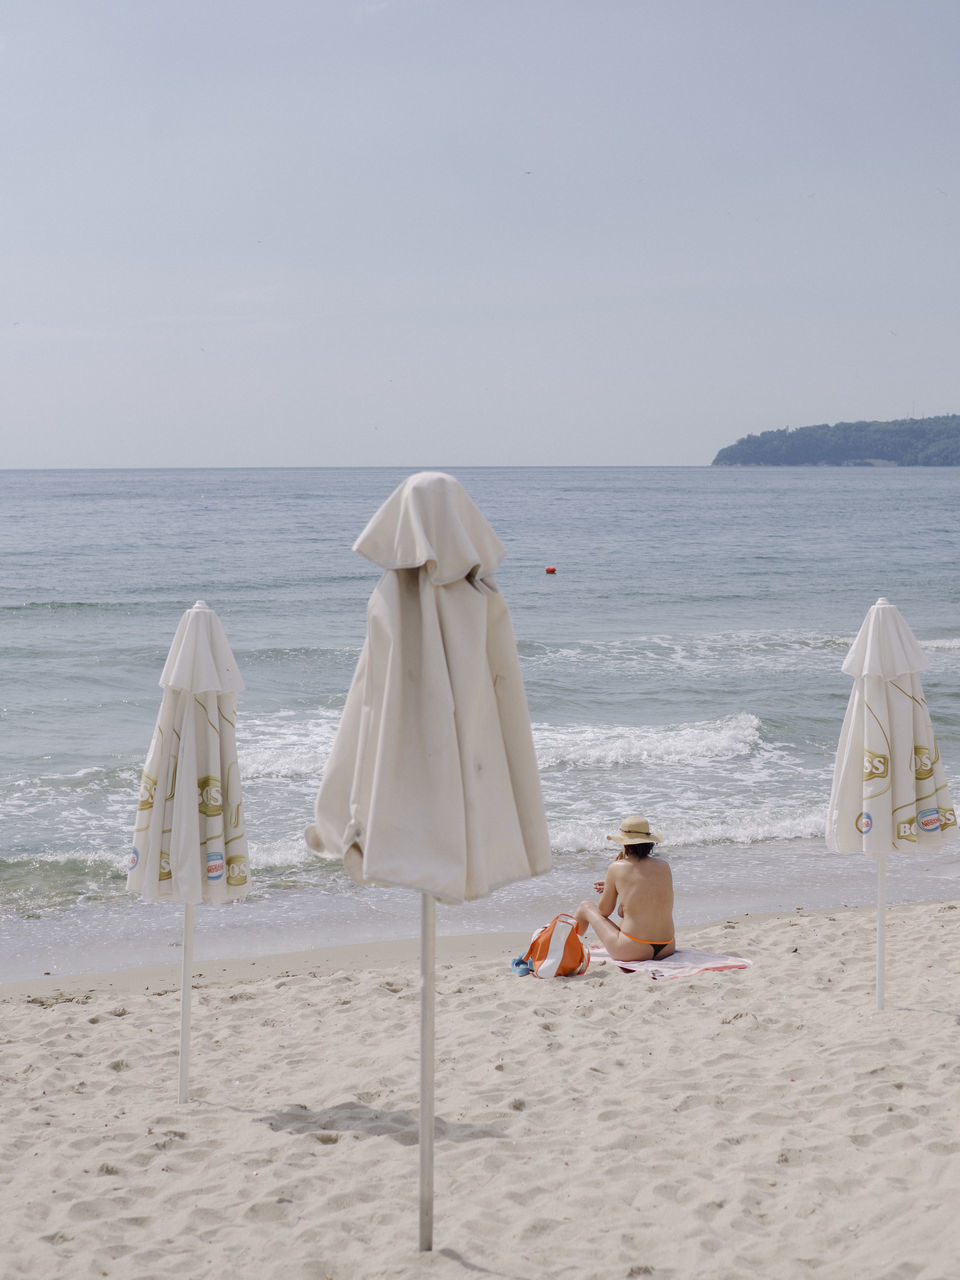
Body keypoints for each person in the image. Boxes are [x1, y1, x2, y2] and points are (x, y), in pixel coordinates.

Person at [574, 815, 676, 962]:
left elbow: (604, 912)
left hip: (633, 949)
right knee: (630, 919)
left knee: (585, 906)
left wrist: (614, 887)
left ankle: (566, 949)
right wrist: (619, 887)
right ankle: (603, 943)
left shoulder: (617, 867)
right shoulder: (664, 866)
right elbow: (624, 913)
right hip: (667, 947)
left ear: (625, 844)